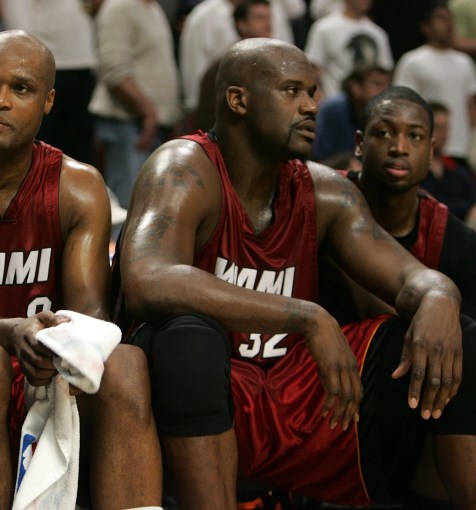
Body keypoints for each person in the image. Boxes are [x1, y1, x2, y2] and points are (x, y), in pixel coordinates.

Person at [115, 38, 476, 509]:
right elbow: (148, 278)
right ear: (238, 100)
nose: (311, 106)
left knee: (457, 334)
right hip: (207, 386)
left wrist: (440, 296)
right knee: (189, 339)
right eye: (292, 91)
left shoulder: (325, 191)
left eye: (313, 91)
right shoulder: (184, 168)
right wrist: (304, 316)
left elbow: (412, 278)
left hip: (297, 392)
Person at [0, 30, 162, 510]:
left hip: (42, 360)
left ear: (48, 101)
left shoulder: (77, 185)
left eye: (20, 89)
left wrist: (60, 343)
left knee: (125, 363)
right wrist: (8, 331)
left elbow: (89, 312)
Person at [322, 86, 476, 325]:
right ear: (360, 143)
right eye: (384, 133)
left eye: (414, 136)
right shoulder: (321, 195)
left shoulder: (452, 238)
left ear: (430, 151)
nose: (399, 148)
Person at [88, 0, 182, 215]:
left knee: (149, 212)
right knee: (128, 210)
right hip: (128, 125)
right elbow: (114, 70)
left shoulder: (152, 7)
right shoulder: (119, 7)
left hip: (152, 127)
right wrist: (147, 110)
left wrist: (170, 115)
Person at [0, 0, 98, 165]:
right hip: (45, 66)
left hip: (82, 65)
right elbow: (15, 20)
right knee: (40, 150)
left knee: (79, 151)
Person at [393, 1, 476, 165]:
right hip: (426, 148)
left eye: (451, 18)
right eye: (441, 18)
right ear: (426, 27)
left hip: (460, 147)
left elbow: (471, 104)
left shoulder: (464, 62)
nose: (449, 24)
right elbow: (404, 105)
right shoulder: (413, 61)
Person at [192, 0, 274, 132]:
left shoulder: (271, 64)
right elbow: (208, 117)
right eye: (260, 17)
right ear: (242, 24)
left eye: (269, 17)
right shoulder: (225, 66)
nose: (268, 23)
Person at [304, 0, 393, 99]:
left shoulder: (378, 34)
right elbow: (312, 72)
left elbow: (385, 75)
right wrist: (321, 104)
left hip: (371, 105)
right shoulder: (324, 28)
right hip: (334, 101)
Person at [311, 64, 391, 169]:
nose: (383, 90)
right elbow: (318, 159)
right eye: (376, 84)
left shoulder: (385, 113)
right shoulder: (333, 109)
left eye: (387, 85)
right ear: (356, 87)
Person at [420, 102, 476, 227]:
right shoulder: (416, 169)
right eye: (438, 128)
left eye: (446, 127)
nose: (443, 133)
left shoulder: (458, 167)